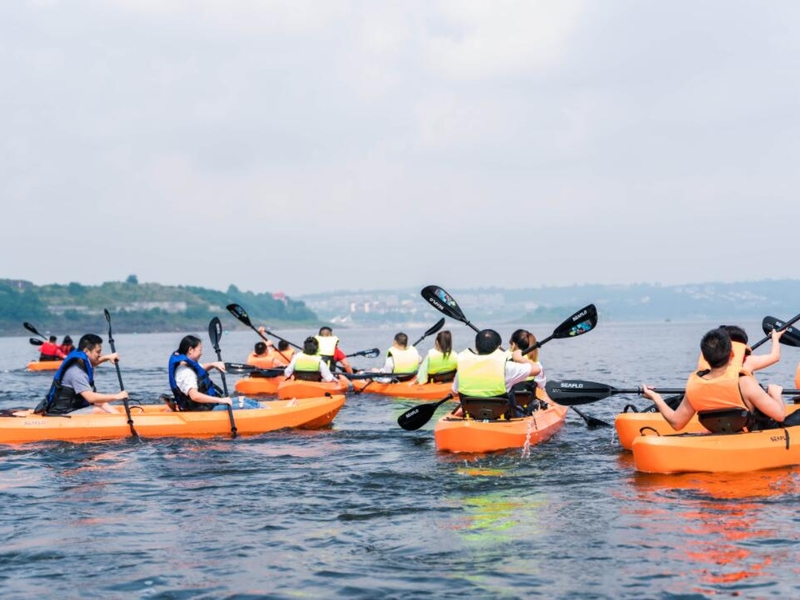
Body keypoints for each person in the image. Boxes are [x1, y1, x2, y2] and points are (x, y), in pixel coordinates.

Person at [642, 327, 800, 432]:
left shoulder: (695, 385)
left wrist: (656, 397)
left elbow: (676, 423)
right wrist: (776, 394)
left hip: (718, 431)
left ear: (704, 356)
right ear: (732, 354)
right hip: (750, 433)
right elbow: (779, 415)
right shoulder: (744, 382)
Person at [451, 329, 542, 418]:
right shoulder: (507, 368)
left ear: (476, 346)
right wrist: (519, 358)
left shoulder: (463, 369)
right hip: (503, 416)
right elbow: (537, 369)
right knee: (532, 405)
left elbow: (454, 393)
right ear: (498, 348)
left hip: (472, 415)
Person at [35, 333, 128, 415]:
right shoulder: (76, 372)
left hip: (73, 407)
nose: (100, 354)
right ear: (86, 351)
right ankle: (122, 423)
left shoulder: (81, 359)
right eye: (98, 352)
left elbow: (93, 362)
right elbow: (91, 398)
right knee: (97, 410)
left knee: (102, 402)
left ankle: (121, 418)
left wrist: (108, 357)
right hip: (62, 412)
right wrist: (117, 396)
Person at [169, 334, 262, 411]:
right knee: (247, 406)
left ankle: (265, 409)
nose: (201, 353)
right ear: (190, 350)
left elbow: (200, 368)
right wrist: (221, 400)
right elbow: (194, 396)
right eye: (200, 350)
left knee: (245, 400)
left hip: (208, 405)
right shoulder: (185, 372)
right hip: (202, 410)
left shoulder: (188, 365)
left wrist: (214, 364)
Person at [508, 329, 551, 409]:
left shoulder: (504, 361)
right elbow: (541, 387)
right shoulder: (536, 365)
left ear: (513, 345)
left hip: (504, 403)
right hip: (525, 403)